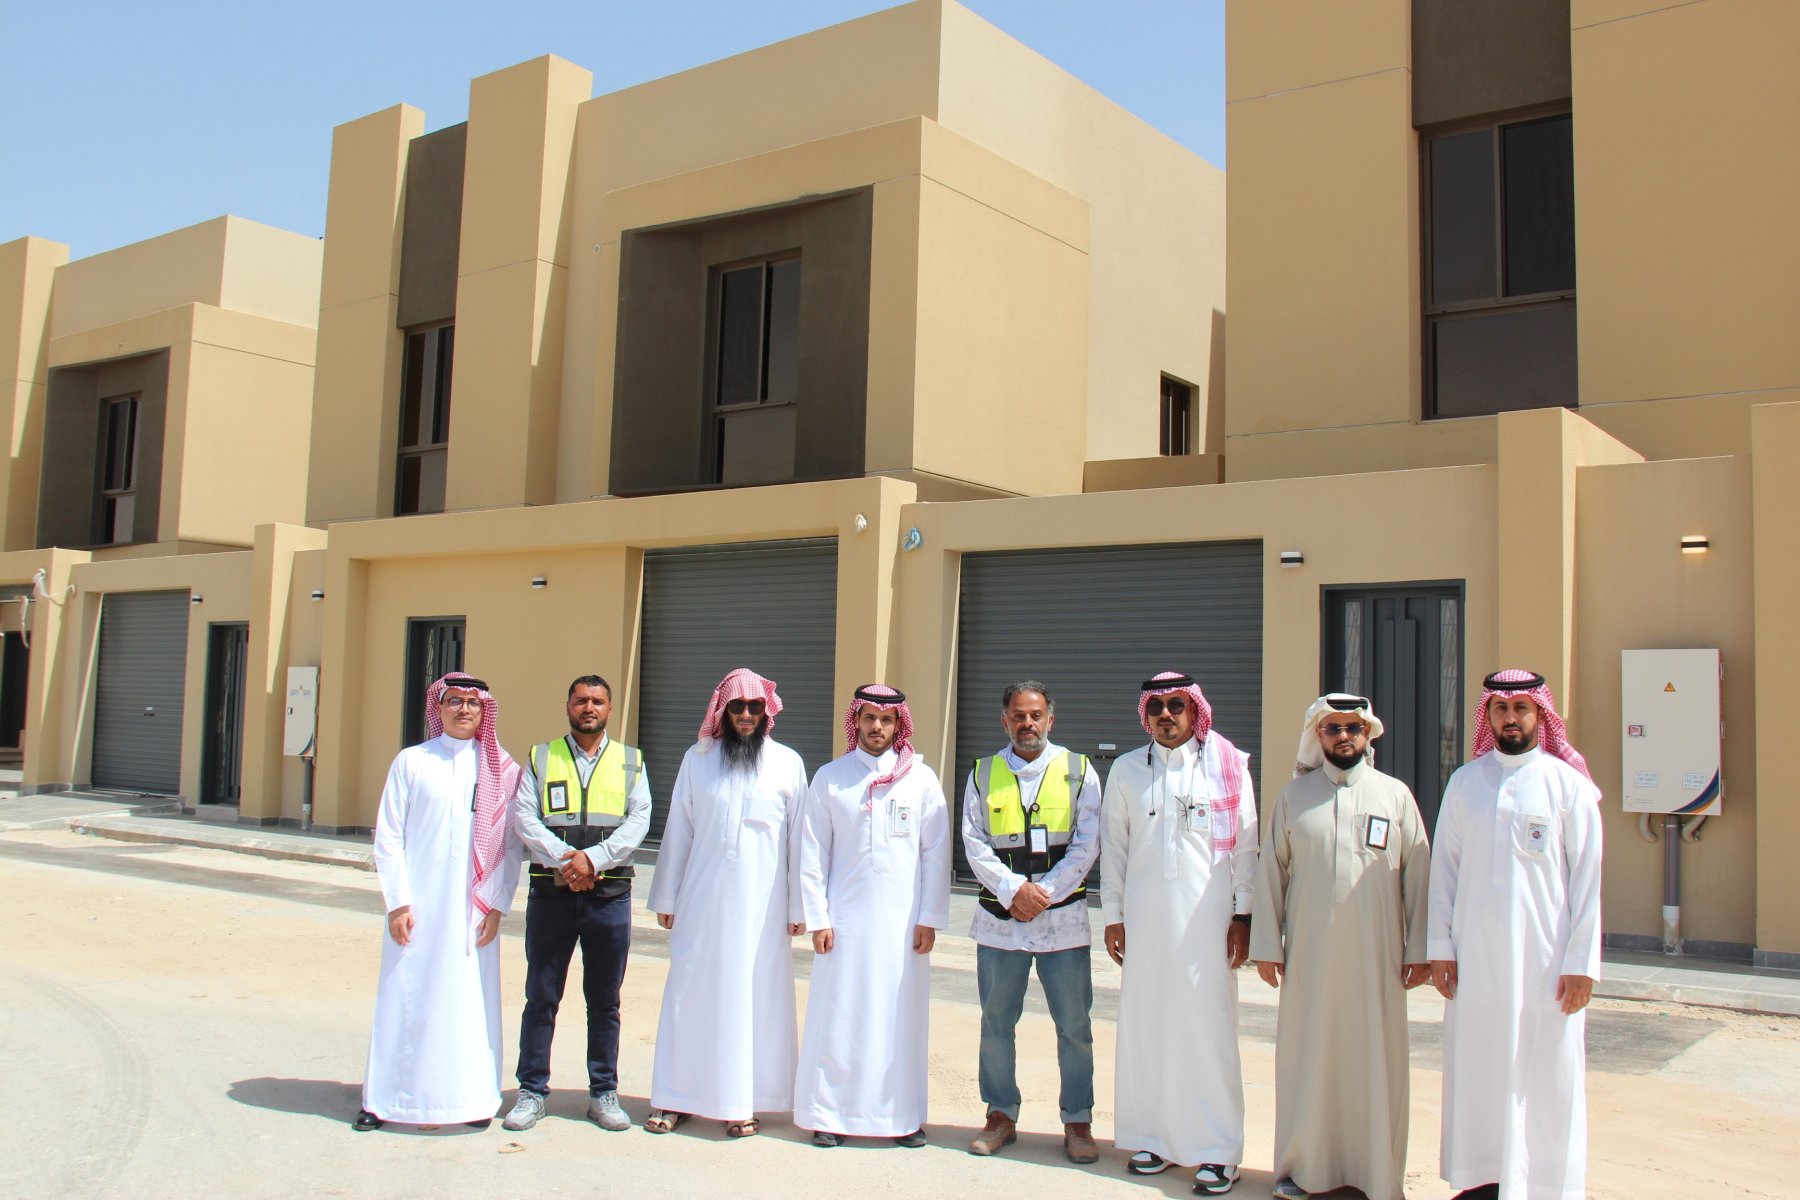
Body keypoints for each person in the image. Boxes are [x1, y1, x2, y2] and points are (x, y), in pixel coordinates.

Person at [1429, 670, 1603, 1200]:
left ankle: (1545, 1185)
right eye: (1501, 709)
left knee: (1546, 1073)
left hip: (1546, 965)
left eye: (1522, 708)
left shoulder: (1567, 785)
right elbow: (1444, 872)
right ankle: (1482, 1180)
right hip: (1476, 962)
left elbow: (1589, 881)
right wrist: (1440, 948)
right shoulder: (1465, 783)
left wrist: (1581, 963)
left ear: (1539, 715)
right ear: (1488, 715)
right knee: (1479, 1067)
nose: (1511, 718)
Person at [1249, 694, 1432, 1200]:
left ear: (1368, 734)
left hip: (1378, 960)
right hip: (1309, 959)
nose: (1344, 736)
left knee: (1376, 1064)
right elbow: (1271, 873)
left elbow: (1419, 876)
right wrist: (1267, 945)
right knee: (1309, 1061)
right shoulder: (1294, 797)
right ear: (1319, 736)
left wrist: (1419, 949)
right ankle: (1302, 1171)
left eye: (1354, 728)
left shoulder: (1395, 796)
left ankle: (1377, 1176)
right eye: (1333, 728)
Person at [1100, 671, 1257, 1195]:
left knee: (1208, 1033)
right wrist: (1113, 914)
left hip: (1208, 925)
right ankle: (1155, 1139)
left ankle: (1219, 1149)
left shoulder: (1227, 766)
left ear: (1194, 710)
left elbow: (1246, 847)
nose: (1166, 715)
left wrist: (1243, 916)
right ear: (1145, 713)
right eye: (1156, 707)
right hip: (1144, 924)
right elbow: (1114, 847)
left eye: (1176, 705)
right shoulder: (1127, 770)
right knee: (1149, 1028)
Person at [644, 668, 809, 1138]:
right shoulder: (697, 760)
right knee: (690, 996)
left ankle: (743, 1102)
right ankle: (676, 1098)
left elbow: (800, 841)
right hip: (702, 904)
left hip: (763, 911)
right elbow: (679, 829)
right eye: (738, 706)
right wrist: (667, 894)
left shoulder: (787, 763)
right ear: (723, 710)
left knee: (754, 1002)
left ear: (767, 712)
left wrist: (799, 909)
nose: (746, 715)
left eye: (755, 707)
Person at [355, 673, 522, 1132]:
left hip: (474, 911)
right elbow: (389, 835)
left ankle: (470, 1101)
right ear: (439, 707)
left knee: (467, 1003)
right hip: (417, 907)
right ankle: (384, 1100)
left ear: (485, 710)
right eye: (455, 701)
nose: (464, 709)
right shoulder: (412, 761)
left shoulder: (501, 770)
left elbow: (510, 846)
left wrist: (497, 905)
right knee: (404, 996)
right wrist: (398, 902)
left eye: (473, 702)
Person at [796, 685, 952, 1148]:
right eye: (868, 718)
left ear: (898, 724)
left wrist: (930, 917)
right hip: (843, 924)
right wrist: (818, 918)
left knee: (899, 1017)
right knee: (840, 1015)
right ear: (856, 722)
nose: (877, 727)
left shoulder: (921, 780)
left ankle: (900, 1118)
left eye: (886, 719)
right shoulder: (830, 778)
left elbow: (936, 853)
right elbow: (812, 853)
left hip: (903, 925)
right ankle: (830, 1115)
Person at [961, 680, 1103, 1164]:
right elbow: (974, 843)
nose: (1027, 724)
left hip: (1062, 922)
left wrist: (1044, 894)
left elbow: (1087, 843)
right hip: (1001, 923)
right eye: (1018, 716)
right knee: (996, 1024)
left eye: (1035, 715)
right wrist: (1013, 891)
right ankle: (1000, 1114)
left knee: (1075, 1026)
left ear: (1050, 719)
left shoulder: (1079, 770)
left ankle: (1078, 1120)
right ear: (1005, 721)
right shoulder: (982, 772)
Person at [502, 675, 652, 1133]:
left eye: (597, 701)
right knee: (541, 997)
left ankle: (603, 1092)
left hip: (609, 899)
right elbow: (525, 817)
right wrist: (568, 860)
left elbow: (639, 820)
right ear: (568, 705)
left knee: (605, 1002)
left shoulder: (630, 761)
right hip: (552, 896)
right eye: (581, 700)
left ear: (610, 709)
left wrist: (594, 860)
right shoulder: (541, 757)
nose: (589, 708)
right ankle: (531, 1091)